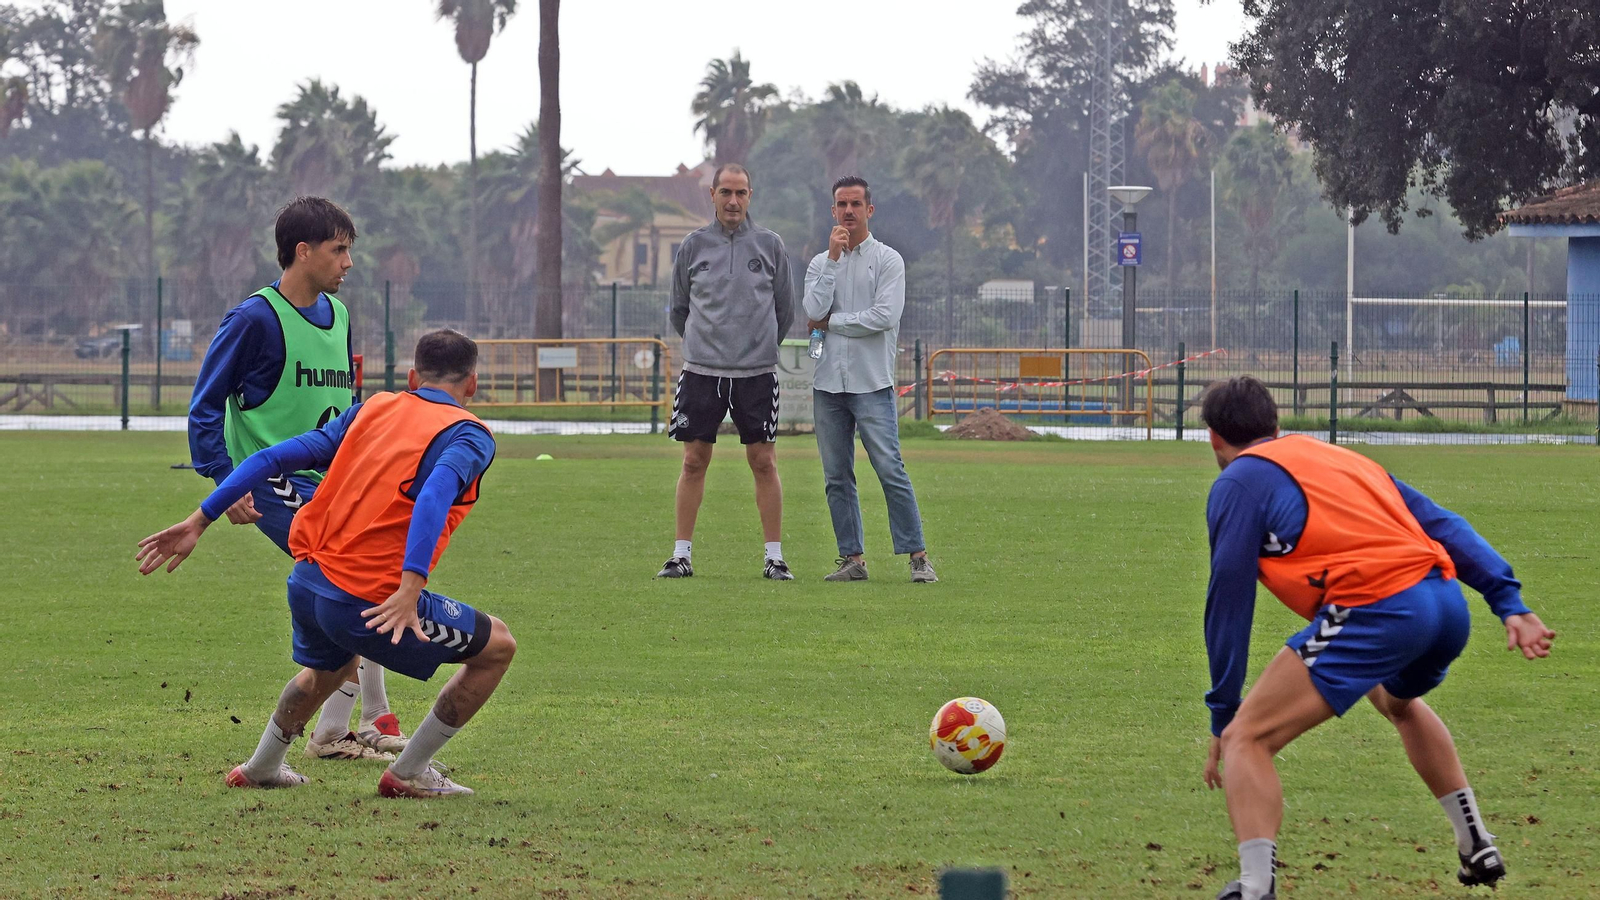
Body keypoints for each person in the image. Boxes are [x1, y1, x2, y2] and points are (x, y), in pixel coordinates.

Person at [1198, 375, 1555, 899]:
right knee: (1396, 701)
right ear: (1277, 425)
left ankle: (1255, 888)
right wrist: (1509, 602)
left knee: (1247, 738)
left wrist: (1223, 713)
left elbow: (1229, 602)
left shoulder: (1237, 482)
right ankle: (1476, 842)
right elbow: (1442, 524)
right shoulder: (1340, 458)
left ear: (1213, 439)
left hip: (1378, 609)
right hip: (1444, 604)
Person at [140, 330, 513, 798]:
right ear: (472, 384)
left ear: (414, 377)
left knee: (327, 672)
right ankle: (409, 772)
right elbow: (435, 495)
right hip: (364, 596)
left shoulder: (371, 408)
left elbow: (271, 456)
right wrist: (411, 588)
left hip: (309, 582)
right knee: (497, 647)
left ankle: (260, 768)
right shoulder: (468, 433)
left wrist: (201, 517)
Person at [188, 197, 408, 762]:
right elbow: (205, 408)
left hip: (334, 481)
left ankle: (359, 723)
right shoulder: (254, 318)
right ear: (302, 251)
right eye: (339, 249)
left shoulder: (339, 317)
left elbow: (344, 406)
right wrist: (222, 482)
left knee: (377, 571)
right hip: (273, 482)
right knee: (349, 578)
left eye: (350, 250)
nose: (349, 262)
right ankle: (342, 728)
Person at [660, 163, 796, 580]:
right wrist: (706, 345)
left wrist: (756, 346)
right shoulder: (693, 246)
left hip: (756, 374)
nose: (733, 201)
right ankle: (681, 555)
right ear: (713, 195)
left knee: (763, 462)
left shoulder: (770, 246)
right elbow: (679, 309)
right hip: (702, 372)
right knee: (694, 460)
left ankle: (774, 557)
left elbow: (785, 310)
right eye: (725, 193)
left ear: (750, 196)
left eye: (740, 193)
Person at [801, 176, 936, 584]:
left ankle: (918, 558)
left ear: (869, 210)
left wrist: (833, 323)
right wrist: (831, 261)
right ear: (832, 211)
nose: (848, 211)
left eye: (856, 204)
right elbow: (811, 309)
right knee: (836, 476)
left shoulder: (889, 260)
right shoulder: (819, 263)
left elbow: (884, 317)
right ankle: (852, 559)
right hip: (828, 384)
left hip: (872, 382)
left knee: (889, 469)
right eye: (841, 204)